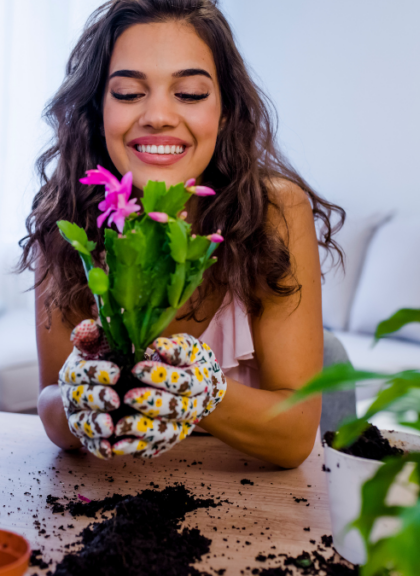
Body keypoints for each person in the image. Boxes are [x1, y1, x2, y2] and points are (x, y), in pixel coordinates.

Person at [18, 0, 343, 468]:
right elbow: (54, 409)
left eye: (189, 93)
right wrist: (79, 391)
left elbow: (294, 437)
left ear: (226, 111)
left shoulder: (275, 210)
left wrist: (198, 390)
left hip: (245, 503)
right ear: (97, 110)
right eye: (129, 93)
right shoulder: (65, 219)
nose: (158, 116)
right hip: (111, 495)